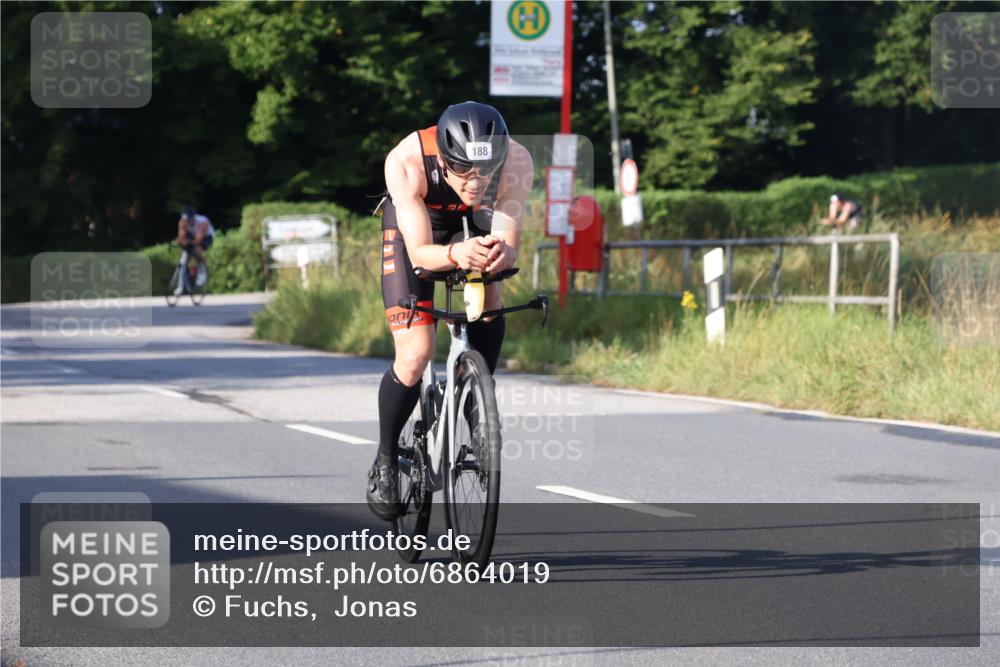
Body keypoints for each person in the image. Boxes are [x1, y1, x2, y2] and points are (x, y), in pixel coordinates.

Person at [367, 101, 533, 520]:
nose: (477, 182)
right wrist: (458, 253)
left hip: (473, 223)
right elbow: (422, 253)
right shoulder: (407, 161)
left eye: (486, 172)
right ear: (443, 157)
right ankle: (386, 460)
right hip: (417, 230)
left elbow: (508, 233)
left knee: (491, 297)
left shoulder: (515, 158)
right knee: (416, 351)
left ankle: (479, 401)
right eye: (464, 172)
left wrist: (501, 252)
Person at [175, 205, 214, 292]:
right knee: (184, 259)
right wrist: (181, 241)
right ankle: (181, 285)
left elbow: (198, 240)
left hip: (206, 237)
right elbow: (181, 236)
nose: (187, 222)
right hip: (192, 236)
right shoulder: (182, 222)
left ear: (193, 218)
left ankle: (202, 272)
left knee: (196, 251)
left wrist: (187, 242)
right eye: (185, 220)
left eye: (189, 220)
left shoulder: (203, 222)